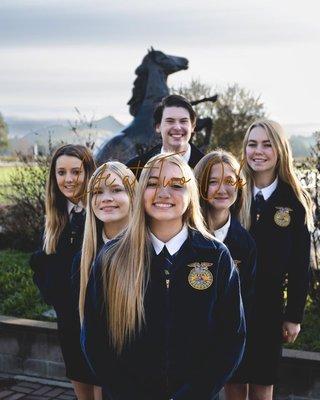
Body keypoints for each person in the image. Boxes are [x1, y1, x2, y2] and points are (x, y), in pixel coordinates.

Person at [81, 153, 246, 400]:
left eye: (177, 185)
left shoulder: (216, 256)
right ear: (141, 192)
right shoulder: (112, 256)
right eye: (153, 183)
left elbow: (231, 339)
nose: (163, 192)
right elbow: (94, 340)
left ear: (190, 194)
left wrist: (193, 394)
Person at [234, 119, 313, 400]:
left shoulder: (294, 201)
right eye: (252, 144)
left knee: (261, 385)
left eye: (267, 144)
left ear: (279, 150)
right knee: (234, 383)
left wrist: (293, 316)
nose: (259, 151)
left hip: (269, 311)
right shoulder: (232, 193)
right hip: (231, 308)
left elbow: (300, 266)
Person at [30, 144, 99, 400]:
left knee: (102, 382)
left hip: (98, 319)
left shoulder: (100, 213)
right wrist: (54, 295)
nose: (68, 179)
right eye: (61, 172)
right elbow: (42, 263)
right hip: (68, 320)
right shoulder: (55, 218)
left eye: (76, 171)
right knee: (78, 377)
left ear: (89, 172)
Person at [194, 150, 257, 399]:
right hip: (189, 342)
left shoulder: (245, 243)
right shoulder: (185, 235)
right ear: (199, 185)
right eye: (212, 181)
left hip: (229, 340)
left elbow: (247, 301)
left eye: (230, 181)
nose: (222, 189)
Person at [71, 161, 136, 326]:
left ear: (133, 195)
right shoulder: (82, 261)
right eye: (97, 192)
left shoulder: (153, 252)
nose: (106, 198)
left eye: (116, 189)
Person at [126, 94, 204, 179]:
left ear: (193, 127)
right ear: (158, 127)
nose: (177, 127)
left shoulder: (209, 168)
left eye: (183, 121)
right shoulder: (134, 169)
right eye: (170, 121)